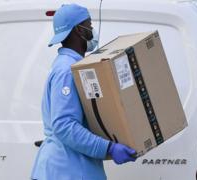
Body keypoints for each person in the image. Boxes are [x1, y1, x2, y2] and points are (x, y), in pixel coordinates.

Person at [31, 4, 136, 180]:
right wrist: (108, 148)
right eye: (90, 24)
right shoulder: (66, 70)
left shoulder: (73, 66)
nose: (92, 29)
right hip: (65, 171)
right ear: (79, 30)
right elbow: (64, 125)